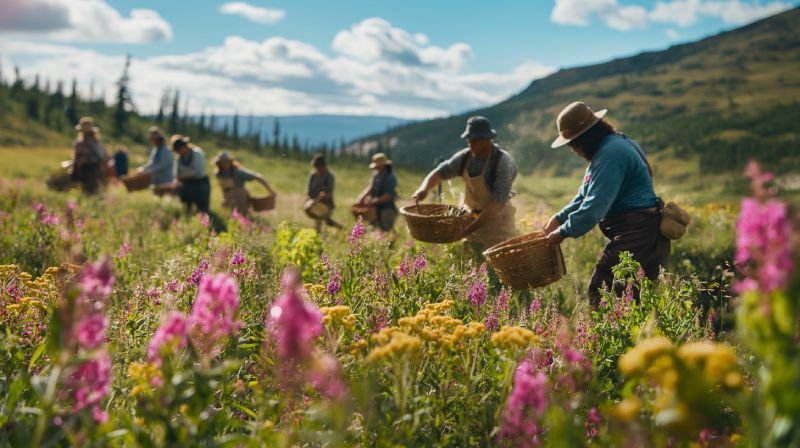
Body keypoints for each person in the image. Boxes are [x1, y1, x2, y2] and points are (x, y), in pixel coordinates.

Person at [543, 102, 670, 307]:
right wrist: (557, 218)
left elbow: (594, 208)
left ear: (585, 137)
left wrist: (562, 233)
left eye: (573, 143)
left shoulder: (611, 154)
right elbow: (583, 196)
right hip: (638, 231)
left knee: (604, 290)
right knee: (629, 297)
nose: (573, 149)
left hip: (639, 233)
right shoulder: (610, 147)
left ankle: (609, 337)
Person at [412, 116, 518, 249]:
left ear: (487, 139)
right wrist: (424, 189)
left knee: (494, 266)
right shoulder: (465, 157)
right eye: (468, 139)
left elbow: (496, 205)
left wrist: (466, 230)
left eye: (474, 140)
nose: (470, 143)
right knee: (471, 263)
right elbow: (439, 172)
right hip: (471, 218)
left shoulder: (503, 163)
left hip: (497, 226)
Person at [357, 153, 398, 232]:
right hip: (375, 209)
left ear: (384, 165)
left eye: (378, 165)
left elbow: (388, 195)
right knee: (372, 228)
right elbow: (371, 187)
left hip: (387, 209)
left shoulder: (390, 177)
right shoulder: (376, 175)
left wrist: (373, 201)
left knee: (386, 230)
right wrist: (362, 197)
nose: (376, 168)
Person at [170, 135, 210, 214]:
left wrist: (181, 176)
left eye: (178, 150)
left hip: (200, 184)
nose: (178, 152)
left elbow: (198, 172)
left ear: (184, 147)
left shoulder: (197, 153)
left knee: (203, 209)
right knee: (187, 209)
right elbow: (176, 174)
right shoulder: (179, 158)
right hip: (186, 185)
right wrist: (176, 182)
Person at [71, 117, 107, 195]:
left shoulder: (95, 142)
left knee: (93, 191)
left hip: (93, 170)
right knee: (84, 191)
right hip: (82, 170)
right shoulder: (78, 141)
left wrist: (86, 159)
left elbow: (100, 156)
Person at [307, 154, 342, 232]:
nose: (316, 169)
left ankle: (319, 234)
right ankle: (340, 229)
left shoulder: (329, 176)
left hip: (326, 203)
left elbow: (328, 193)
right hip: (313, 203)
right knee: (324, 220)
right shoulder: (313, 175)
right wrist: (310, 200)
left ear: (323, 166)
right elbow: (309, 190)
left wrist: (316, 200)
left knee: (322, 220)